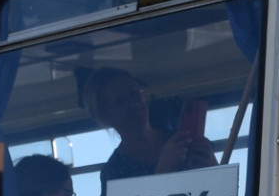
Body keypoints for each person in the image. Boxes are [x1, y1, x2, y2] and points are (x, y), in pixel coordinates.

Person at [85, 68, 215, 184]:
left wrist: (210, 167)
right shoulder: (114, 172)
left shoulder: (185, 141)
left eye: (134, 93)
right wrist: (163, 171)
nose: (134, 103)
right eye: (121, 101)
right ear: (105, 116)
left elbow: (224, 195)